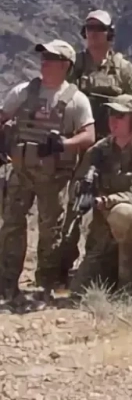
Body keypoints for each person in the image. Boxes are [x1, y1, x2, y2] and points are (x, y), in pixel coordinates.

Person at [0, 40, 95, 303]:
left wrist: (64, 144)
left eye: (51, 59)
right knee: (12, 225)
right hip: (21, 172)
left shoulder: (76, 100)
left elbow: (89, 135)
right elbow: (2, 116)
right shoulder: (23, 92)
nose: (44, 63)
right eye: (43, 58)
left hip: (54, 177)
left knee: (50, 231)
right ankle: (7, 284)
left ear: (65, 65)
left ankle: (45, 285)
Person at [69, 95, 132, 294]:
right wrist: (82, 193)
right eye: (111, 114)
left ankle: (128, 286)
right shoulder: (99, 150)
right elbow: (77, 184)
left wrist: (108, 201)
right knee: (79, 291)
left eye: (120, 116)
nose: (113, 120)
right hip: (104, 229)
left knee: (122, 213)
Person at [67, 9, 132, 138]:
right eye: (90, 28)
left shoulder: (124, 69)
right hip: (78, 135)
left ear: (110, 34)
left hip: (113, 138)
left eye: (99, 28)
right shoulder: (73, 65)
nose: (94, 33)